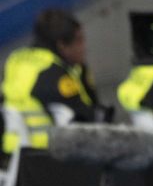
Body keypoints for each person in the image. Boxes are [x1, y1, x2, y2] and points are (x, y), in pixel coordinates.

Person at [2, 9, 101, 155]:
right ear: (62, 45)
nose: (84, 47)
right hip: (47, 157)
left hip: (14, 155)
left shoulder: (16, 60)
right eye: (79, 40)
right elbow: (87, 125)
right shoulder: (56, 75)